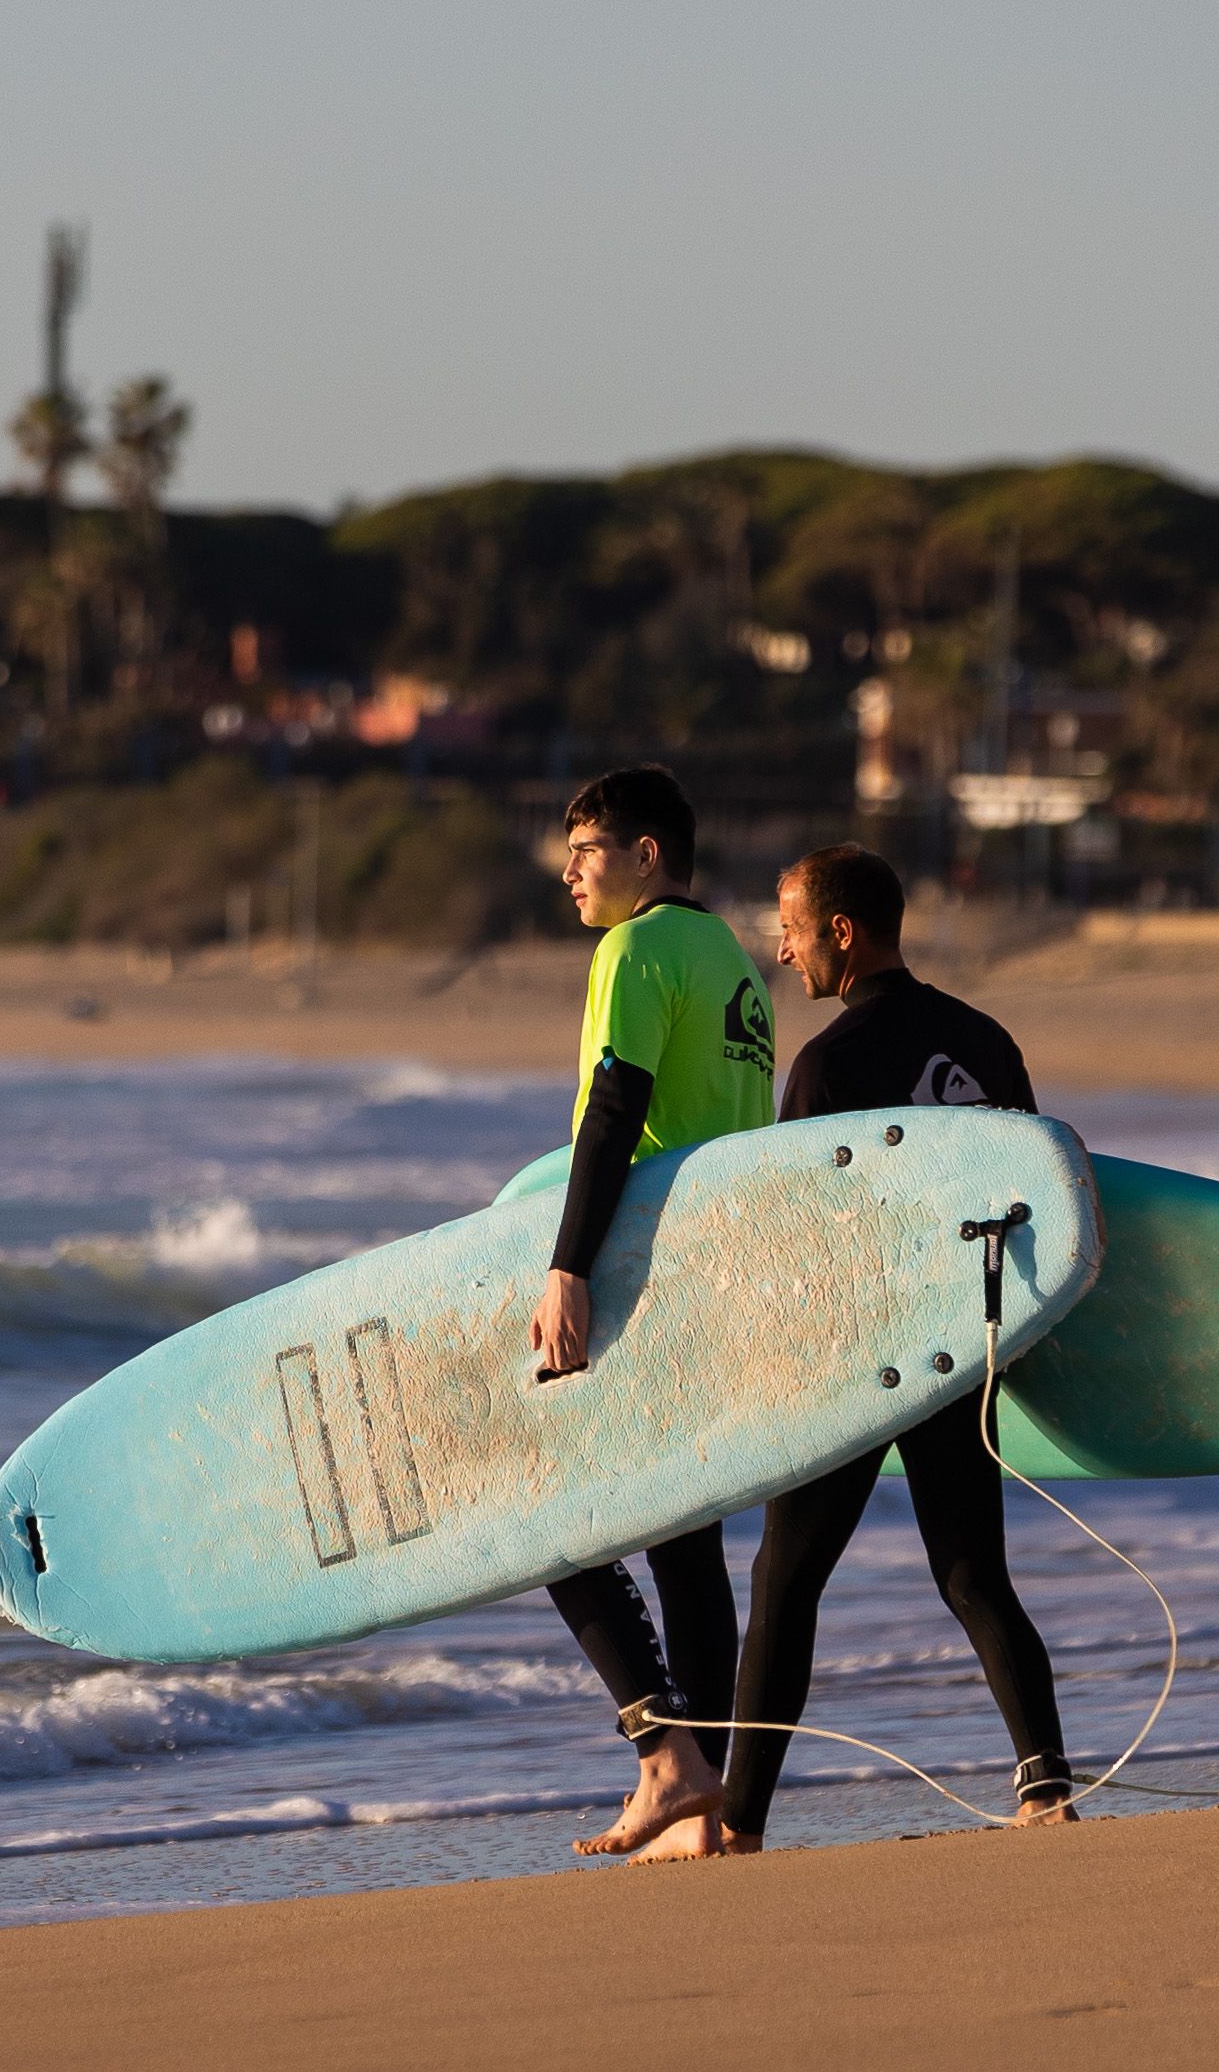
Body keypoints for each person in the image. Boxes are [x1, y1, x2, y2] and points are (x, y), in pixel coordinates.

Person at [676, 842, 1077, 1861]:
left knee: (784, 1582)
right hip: (961, 1344)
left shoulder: (828, 1067)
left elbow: (800, 1243)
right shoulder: (983, 1039)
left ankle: (742, 1822)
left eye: (792, 927)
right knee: (973, 1575)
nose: (782, 947)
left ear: (841, 933)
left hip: (862, 1361)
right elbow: (1035, 1198)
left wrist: (766, 1373)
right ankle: (1047, 1788)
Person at [531, 765, 779, 1856]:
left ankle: (662, 1750)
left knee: (541, 1516)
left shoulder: (631, 952)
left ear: (646, 856)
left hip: (645, 1274)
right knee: (687, 1550)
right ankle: (706, 1803)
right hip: (725, 1274)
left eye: (589, 848)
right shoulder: (732, 963)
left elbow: (614, 1106)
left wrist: (567, 1266)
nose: (571, 869)